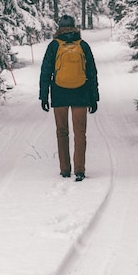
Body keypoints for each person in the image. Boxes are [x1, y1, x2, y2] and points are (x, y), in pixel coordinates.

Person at [39, 15, 99, 181]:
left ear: (59, 28)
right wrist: (94, 97)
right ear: (74, 27)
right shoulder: (83, 45)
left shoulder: (54, 46)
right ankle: (79, 170)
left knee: (62, 132)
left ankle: (65, 169)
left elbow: (45, 72)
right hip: (81, 93)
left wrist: (43, 96)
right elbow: (92, 73)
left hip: (59, 93)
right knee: (80, 133)